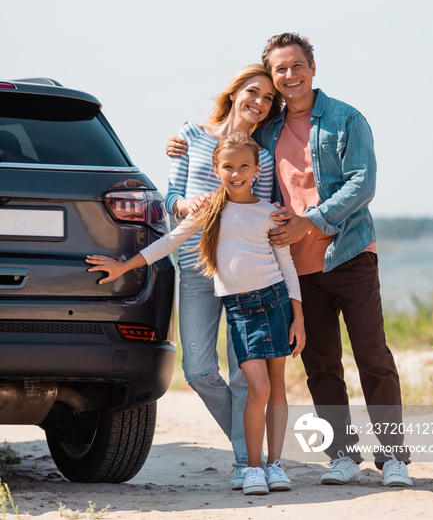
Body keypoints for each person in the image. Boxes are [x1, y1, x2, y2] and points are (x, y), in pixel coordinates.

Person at [87, 132, 306, 495]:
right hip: (240, 309)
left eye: (244, 167)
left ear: (256, 169)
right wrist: (123, 267)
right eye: (228, 167)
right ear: (216, 168)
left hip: (275, 302)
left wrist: (299, 318)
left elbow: (288, 268)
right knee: (259, 387)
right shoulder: (210, 211)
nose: (236, 173)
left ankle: (276, 465)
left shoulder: (269, 214)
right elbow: (170, 242)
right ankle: (252, 466)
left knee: (277, 388)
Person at [252, 32, 412, 487]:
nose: (289, 75)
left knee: (373, 356)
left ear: (312, 68)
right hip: (296, 267)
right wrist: (182, 141)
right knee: (320, 363)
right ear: (273, 77)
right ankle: (341, 455)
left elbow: (363, 184)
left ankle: (394, 456)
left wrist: (311, 220)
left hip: (350, 254)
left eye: (296, 65)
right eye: (280, 69)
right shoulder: (266, 131)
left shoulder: (346, 119)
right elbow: (227, 149)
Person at [151, 64, 282, 490]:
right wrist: (187, 205)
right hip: (195, 267)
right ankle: (254, 452)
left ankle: (247, 464)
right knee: (199, 369)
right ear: (235, 91)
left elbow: (260, 212)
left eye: (267, 99)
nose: (259, 103)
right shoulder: (190, 136)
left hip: (246, 275)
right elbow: (170, 197)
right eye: (253, 92)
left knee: (246, 375)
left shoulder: (261, 150)